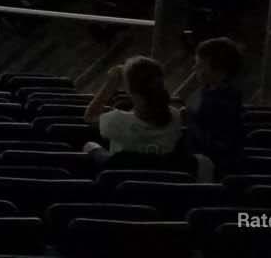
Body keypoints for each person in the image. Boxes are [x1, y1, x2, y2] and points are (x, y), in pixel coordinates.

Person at [84, 55, 182, 159]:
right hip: (162, 174)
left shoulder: (116, 121)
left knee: (89, 146)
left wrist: (110, 84)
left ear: (130, 90)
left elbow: (89, 116)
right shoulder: (175, 116)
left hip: (123, 174)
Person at [184, 37, 246, 173]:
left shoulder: (223, 103)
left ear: (220, 71)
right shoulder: (207, 93)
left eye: (200, 65)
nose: (194, 68)